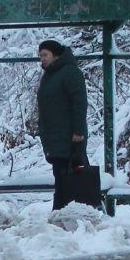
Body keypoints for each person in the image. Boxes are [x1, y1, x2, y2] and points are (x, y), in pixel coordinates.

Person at [36, 39, 91, 210]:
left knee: (72, 173)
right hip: (56, 138)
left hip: (69, 138)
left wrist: (78, 132)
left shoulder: (69, 73)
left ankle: (70, 211)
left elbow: (79, 103)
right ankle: (67, 211)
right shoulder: (51, 75)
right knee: (62, 175)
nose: (42, 59)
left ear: (56, 55)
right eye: (40, 56)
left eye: (45, 55)